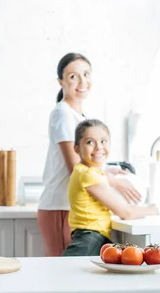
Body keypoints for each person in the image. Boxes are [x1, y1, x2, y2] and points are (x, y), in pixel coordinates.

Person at [37, 53, 142, 257]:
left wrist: (108, 170)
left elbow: (85, 164)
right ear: (61, 82)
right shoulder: (62, 113)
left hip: (70, 207)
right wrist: (112, 181)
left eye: (86, 74)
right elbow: (74, 166)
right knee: (62, 278)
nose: (82, 81)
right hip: (59, 206)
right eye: (73, 76)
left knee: (70, 277)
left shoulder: (78, 116)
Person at [62, 119, 158, 256]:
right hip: (90, 239)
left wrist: (107, 173)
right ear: (76, 148)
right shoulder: (88, 175)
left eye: (103, 141)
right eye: (90, 142)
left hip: (87, 237)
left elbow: (95, 176)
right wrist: (152, 210)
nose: (98, 147)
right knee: (67, 275)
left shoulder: (83, 171)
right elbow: (126, 213)